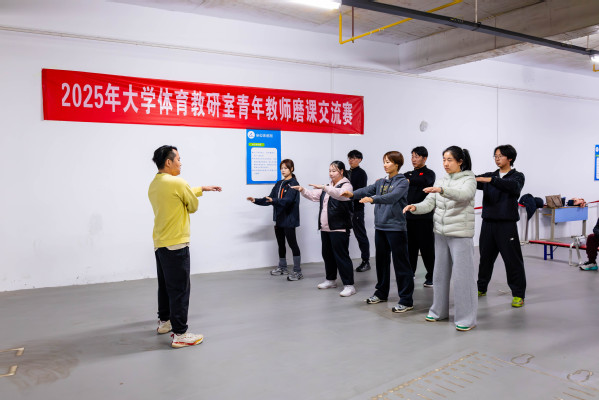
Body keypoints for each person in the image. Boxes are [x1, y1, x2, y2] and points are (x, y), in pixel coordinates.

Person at [148, 145, 222, 348]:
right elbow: (192, 206)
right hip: (177, 243)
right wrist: (194, 193)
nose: (181, 163)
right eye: (178, 159)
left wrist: (202, 189)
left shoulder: (154, 184)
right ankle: (180, 333)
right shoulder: (178, 183)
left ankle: (165, 322)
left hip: (160, 242)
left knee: (165, 286)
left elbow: (175, 196)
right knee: (180, 289)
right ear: (168, 162)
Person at [404, 146, 477, 331]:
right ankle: (439, 311)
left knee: (463, 278)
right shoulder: (442, 179)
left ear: (460, 161)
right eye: (444, 159)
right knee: (439, 275)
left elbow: (464, 195)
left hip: (460, 234)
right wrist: (415, 207)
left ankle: (466, 318)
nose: (445, 163)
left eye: (449, 160)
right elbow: (429, 202)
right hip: (440, 234)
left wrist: (442, 190)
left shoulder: (469, 179)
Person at [342, 151, 414, 313]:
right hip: (380, 227)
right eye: (384, 161)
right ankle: (381, 293)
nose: (385, 165)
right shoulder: (381, 182)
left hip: (396, 228)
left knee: (401, 264)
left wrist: (373, 199)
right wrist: (352, 194)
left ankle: (406, 299)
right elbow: (367, 189)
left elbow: (392, 197)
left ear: (397, 164)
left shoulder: (403, 182)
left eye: (388, 162)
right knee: (381, 262)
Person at [291, 161, 356, 297]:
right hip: (326, 228)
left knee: (341, 256)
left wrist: (324, 188)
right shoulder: (327, 186)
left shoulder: (346, 185)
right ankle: (331, 280)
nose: (331, 173)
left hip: (339, 228)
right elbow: (313, 195)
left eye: (334, 171)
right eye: (330, 170)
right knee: (328, 255)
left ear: (341, 171)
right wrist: (302, 190)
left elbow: (339, 194)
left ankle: (349, 285)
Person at [475, 145, 527, 308]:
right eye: (495, 156)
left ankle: (518, 294)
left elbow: (513, 187)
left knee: (512, 260)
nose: (497, 159)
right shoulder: (490, 175)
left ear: (510, 158)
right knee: (485, 259)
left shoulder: (517, 176)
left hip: (506, 225)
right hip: (488, 223)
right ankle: (481, 288)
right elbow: (473, 181)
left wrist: (491, 180)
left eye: (500, 156)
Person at [247, 159, 302, 281]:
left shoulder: (294, 183)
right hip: (279, 219)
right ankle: (282, 267)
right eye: (281, 168)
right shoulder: (279, 183)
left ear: (292, 169)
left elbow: (287, 201)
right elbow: (270, 198)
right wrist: (256, 200)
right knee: (281, 244)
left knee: (293, 244)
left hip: (289, 219)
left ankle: (297, 271)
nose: (283, 170)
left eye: (285, 168)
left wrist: (274, 200)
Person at [404, 146, 436, 287]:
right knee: (410, 249)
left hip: (424, 218)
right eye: (412, 156)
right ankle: (410, 273)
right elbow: (400, 179)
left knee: (427, 249)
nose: (413, 159)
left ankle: (432, 276)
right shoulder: (408, 174)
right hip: (409, 218)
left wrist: (410, 180)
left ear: (424, 158)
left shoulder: (429, 174)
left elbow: (424, 181)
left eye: (416, 156)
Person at [347, 150, 371, 272]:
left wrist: (350, 195)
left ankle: (366, 261)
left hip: (357, 209)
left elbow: (361, 192)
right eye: (349, 158)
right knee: (344, 235)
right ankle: (344, 261)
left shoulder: (361, 173)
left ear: (360, 159)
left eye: (354, 158)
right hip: (345, 209)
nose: (351, 160)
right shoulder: (346, 173)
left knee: (360, 235)